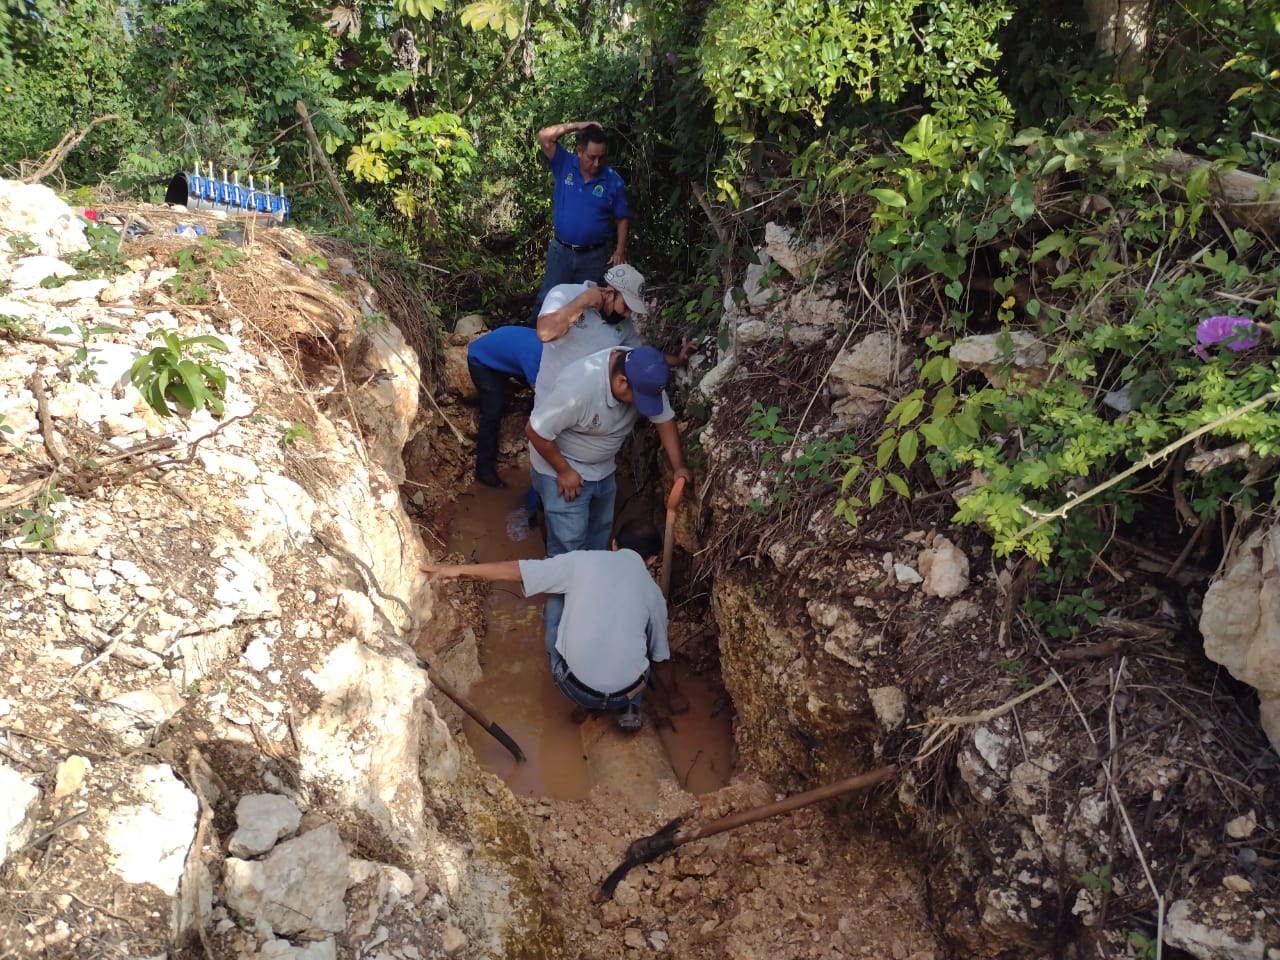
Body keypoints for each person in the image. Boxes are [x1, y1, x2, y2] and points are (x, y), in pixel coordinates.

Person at [421, 520, 687, 731]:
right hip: (625, 694)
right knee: (646, 642)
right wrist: (674, 697)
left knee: (555, 605)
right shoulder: (654, 594)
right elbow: (662, 659)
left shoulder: (582, 561)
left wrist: (458, 569)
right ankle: (631, 709)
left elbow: (517, 570)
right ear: (652, 559)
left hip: (576, 688)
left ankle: (584, 701)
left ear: (614, 544)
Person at [525, 344, 694, 653]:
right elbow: (535, 430)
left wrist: (679, 465)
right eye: (637, 401)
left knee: (598, 550)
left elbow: (664, 420)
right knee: (566, 562)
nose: (642, 409)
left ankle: (591, 619)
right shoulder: (581, 386)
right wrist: (564, 471)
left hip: (603, 472)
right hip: (563, 475)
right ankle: (561, 654)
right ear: (620, 383)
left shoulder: (644, 372)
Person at [535, 262, 692, 397]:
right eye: (626, 307)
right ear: (609, 293)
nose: (627, 314)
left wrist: (678, 360)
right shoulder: (564, 293)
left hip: (586, 409)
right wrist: (583, 302)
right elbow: (545, 333)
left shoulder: (624, 325)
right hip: (550, 401)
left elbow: (640, 356)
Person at [529, 121, 629, 323]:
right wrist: (578, 126)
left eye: (602, 158)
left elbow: (622, 218)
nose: (596, 163)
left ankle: (577, 351)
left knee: (590, 306)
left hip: (593, 257)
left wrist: (620, 250)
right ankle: (533, 346)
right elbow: (544, 136)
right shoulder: (565, 163)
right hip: (561, 252)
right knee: (547, 299)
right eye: (592, 157)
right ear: (580, 151)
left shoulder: (612, 180)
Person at [466, 325, 542, 488]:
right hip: (481, 361)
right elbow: (543, 394)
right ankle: (484, 469)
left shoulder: (550, 345)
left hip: (503, 353)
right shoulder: (534, 356)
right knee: (492, 412)